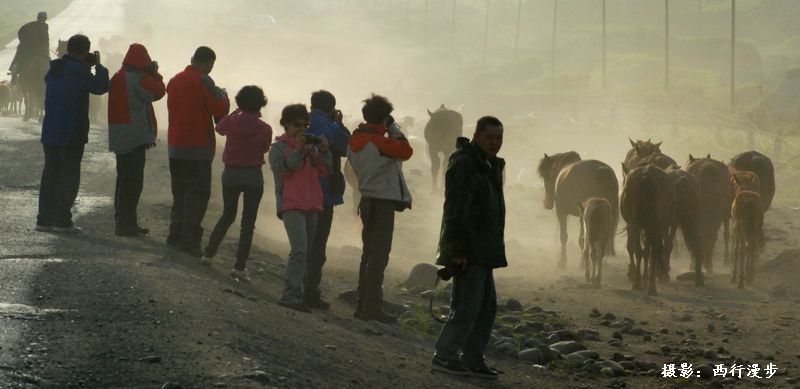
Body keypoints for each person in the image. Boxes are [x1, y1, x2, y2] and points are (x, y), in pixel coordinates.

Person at [431, 116, 506, 380]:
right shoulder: (465, 164)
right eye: (489, 138)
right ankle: (445, 354)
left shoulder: (488, 165)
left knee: (485, 307)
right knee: (466, 305)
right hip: (468, 247)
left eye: (498, 138)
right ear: (476, 136)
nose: (495, 143)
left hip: (484, 247)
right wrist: (457, 250)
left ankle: (473, 358)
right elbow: (456, 209)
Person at [346, 94, 413, 324]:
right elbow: (406, 151)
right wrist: (393, 127)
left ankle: (362, 304)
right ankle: (371, 307)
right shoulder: (381, 142)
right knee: (379, 256)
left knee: (368, 253)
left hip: (366, 199)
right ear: (384, 118)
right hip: (382, 202)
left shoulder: (355, 140)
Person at [35, 34, 109, 233]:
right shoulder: (79, 70)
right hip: (72, 132)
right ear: (85, 51)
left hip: (50, 130)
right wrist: (99, 66)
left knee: (50, 175)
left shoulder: (54, 69)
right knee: (69, 175)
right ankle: (62, 221)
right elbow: (100, 87)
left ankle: (44, 220)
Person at [203, 86, 272, 282]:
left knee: (227, 215)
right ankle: (239, 267)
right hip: (252, 176)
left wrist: (235, 112)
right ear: (261, 104)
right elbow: (265, 147)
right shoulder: (264, 128)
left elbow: (219, 128)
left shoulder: (232, 121)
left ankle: (208, 254)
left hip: (231, 174)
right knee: (247, 224)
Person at [166, 46, 230, 257]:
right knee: (197, 194)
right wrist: (224, 96)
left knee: (180, 193)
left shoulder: (175, 80)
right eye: (211, 64)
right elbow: (219, 109)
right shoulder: (204, 80)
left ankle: (174, 235)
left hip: (176, 146)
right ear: (208, 63)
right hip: (198, 146)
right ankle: (189, 240)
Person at [269, 104, 332, 313]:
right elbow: (284, 169)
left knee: (307, 253)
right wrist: (297, 149)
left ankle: (299, 294)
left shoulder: (311, 148)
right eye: (297, 125)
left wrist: (324, 151)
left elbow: (326, 171)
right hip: (291, 205)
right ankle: (289, 295)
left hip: (312, 205)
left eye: (305, 124)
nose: (302, 128)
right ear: (286, 124)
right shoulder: (277, 148)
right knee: (299, 250)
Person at [107, 43, 165, 237]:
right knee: (133, 182)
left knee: (123, 180)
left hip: (119, 133)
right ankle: (127, 224)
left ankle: (121, 220)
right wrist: (155, 74)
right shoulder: (139, 79)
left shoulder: (118, 76)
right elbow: (158, 92)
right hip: (135, 134)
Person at [303, 90, 351, 310]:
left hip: (299, 190)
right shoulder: (332, 129)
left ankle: (294, 285)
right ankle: (310, 290)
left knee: (301, 241)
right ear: (332, 108)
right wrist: (339, 124)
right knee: (318, 242)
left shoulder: (300, 123)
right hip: (323, 193)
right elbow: (349, 147)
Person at [9, 11, 50, 79]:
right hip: (38, 50)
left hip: (25, 49)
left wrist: (23, 42)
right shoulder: (45, 26)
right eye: (44, 19)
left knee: (18, 60)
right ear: (44, 19)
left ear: (38, 18)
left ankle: (14, 75)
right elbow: (46, 41)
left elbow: (20, 34)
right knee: (48, 62)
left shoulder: (28, 25)